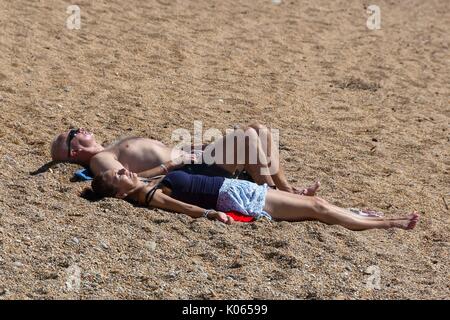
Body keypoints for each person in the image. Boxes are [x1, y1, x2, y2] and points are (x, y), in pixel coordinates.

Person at [91, 168, 419, 231]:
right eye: (119, 176)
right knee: (317, 210)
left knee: (316, 210)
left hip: (237, 189)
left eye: (121, 171)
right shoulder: (151, 195)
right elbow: (184, 208)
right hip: (236, 198)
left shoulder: (147, 182)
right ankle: (387, 222)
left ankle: (367, 216)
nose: (124, 172)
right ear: (119, 194)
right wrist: (209, 216)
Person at [50, 123, 311, 194]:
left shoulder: (110, 148)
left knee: (259, 130)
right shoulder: (101, 160)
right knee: (248, 139)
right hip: (191, 170)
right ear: (74, 152)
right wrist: (172, 164)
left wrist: (190, 147)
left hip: (192, 157)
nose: (80, 128)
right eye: (74, 133)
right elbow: (129, 180)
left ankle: (288, 189)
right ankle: (272, 192)